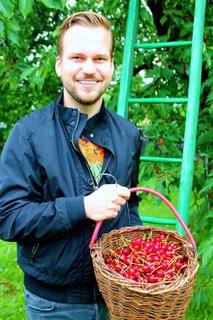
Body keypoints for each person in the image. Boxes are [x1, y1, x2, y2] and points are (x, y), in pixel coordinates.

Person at [0, 11, 142, 320]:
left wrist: (137, 257)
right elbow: (8, 217)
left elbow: (131, 205)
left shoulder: (129, 135)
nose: (89, 69)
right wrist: (82, 207)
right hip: (54, 305)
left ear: (112, 66)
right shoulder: (28, 134)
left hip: (117, 297)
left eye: (100, 58)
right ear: (59, 64)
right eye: (77, 57)